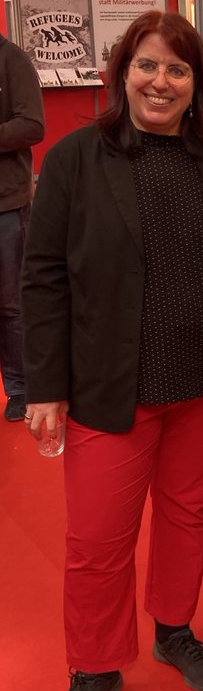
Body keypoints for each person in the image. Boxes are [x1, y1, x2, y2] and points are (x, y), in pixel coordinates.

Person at [21, 11, 203, 691]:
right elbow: (44, 277)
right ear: (122, 74)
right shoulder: (74, 159)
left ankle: (175, 631)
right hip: (109, 385)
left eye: (177, 70)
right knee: (96, 540)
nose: (161, 81)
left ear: (196, 87)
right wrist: (45, 386)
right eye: (148, 65)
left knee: (188, 518)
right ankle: (94, 667)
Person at [0, 31, 44, 422]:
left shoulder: (11, 59)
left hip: (6, 205)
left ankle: (19, 388)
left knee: (11, 303)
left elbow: (32, 125)